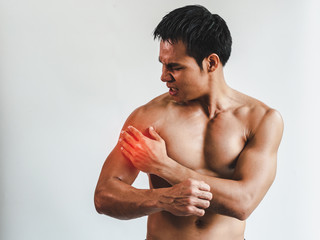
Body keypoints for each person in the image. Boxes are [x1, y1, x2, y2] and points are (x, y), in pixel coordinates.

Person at [94, 5, 284, 240]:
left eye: (175, 67)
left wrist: (164, 166)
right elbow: (104, 196)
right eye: (162, 64)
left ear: (211, 63)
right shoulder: (149, 117)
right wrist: (161, 198)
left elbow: (244, 202)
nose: (163, 76)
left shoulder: (261, 120)